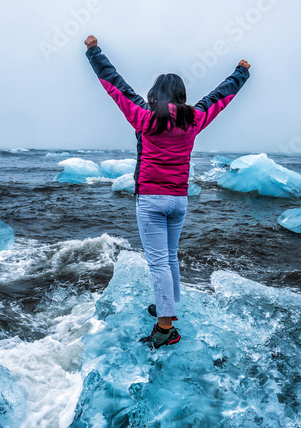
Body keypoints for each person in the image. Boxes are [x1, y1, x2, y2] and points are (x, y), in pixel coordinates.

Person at [84, 34, 251, 348]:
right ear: (182, 95)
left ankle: (165, 328)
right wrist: (241, 72)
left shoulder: (144, 118)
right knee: (169, 257)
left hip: (151, 200)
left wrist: (93, 51)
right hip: (178, 200)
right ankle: (167, 307)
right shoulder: (194, 119)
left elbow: (115, 84)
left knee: (158, 262)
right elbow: (220, 96)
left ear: (154, 95)